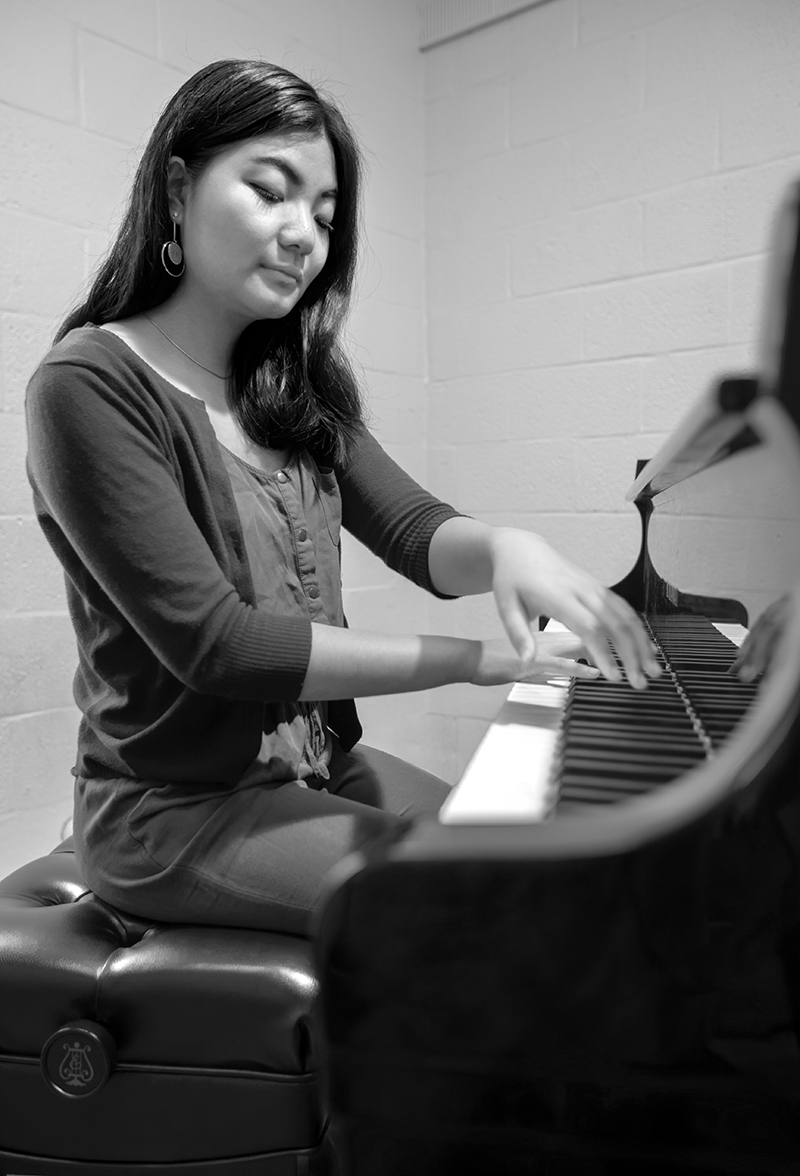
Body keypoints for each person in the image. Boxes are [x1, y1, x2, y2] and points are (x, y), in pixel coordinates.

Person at [25, 58, 660, 939]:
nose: (302, 237)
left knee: (540, 848)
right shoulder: (86, 385)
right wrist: (477, 661)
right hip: (175, 812)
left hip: (318, 771)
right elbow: (222, 648)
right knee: (507, 919)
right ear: (177, 188)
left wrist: (509, 549)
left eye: (324, 218)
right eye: (270, 192)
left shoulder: (288, 382)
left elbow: (413, 530)